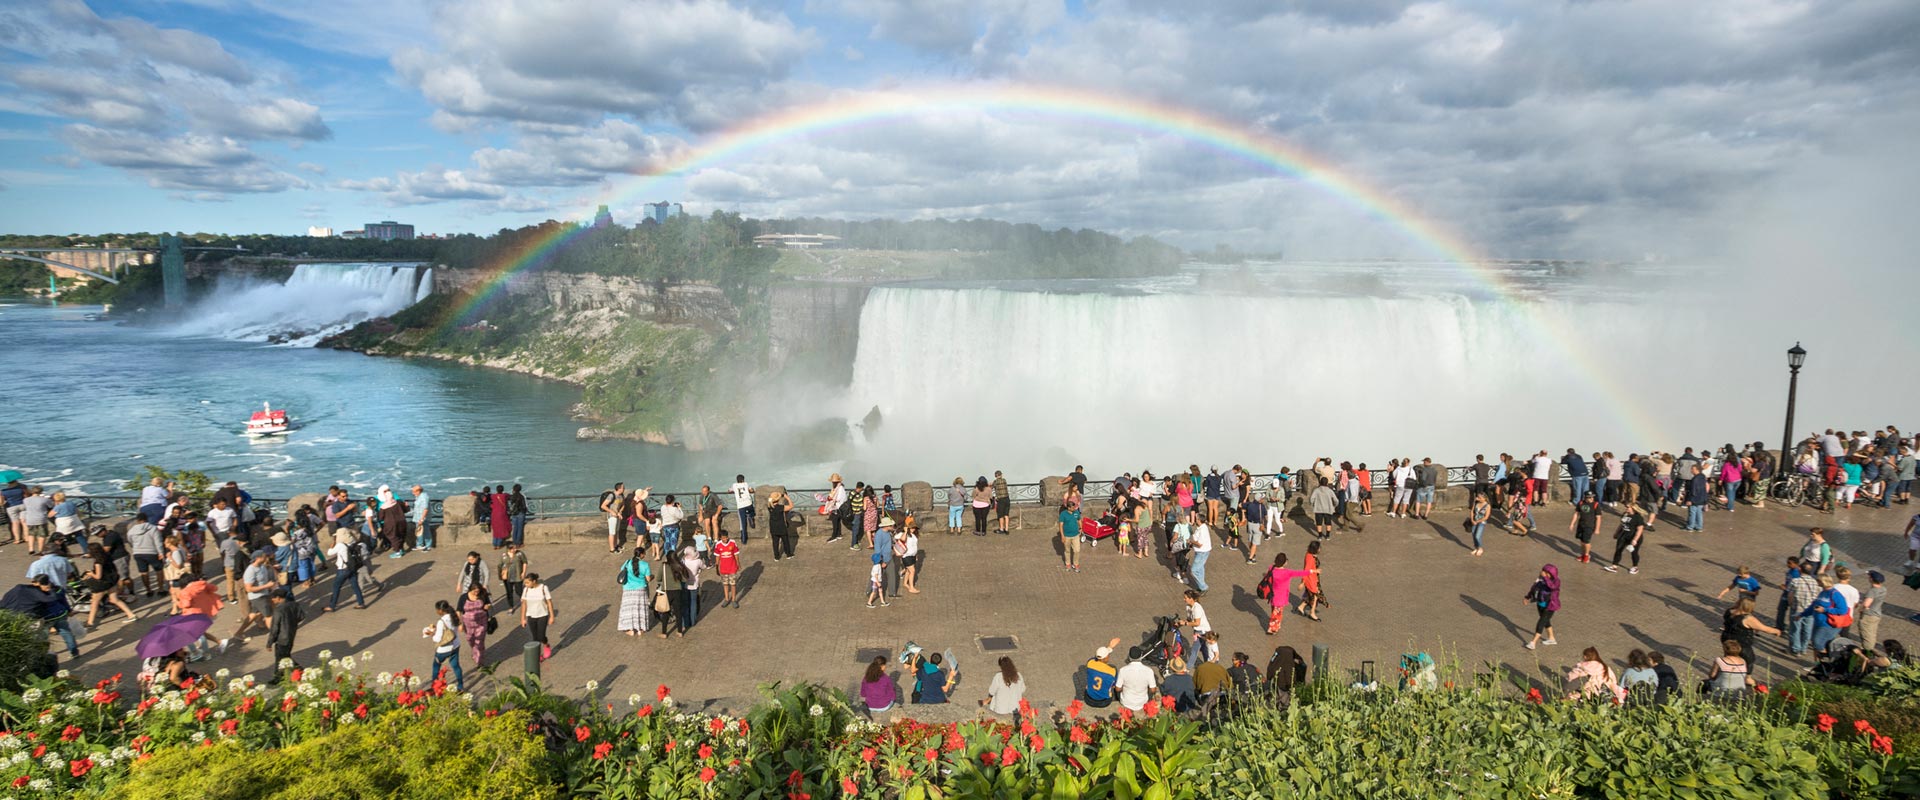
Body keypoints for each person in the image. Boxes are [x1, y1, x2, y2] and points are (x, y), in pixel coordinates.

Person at [0, 576, 76, 658]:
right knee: (65, 633)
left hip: (45, 618)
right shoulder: (54, 590)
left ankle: (43, 657)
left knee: (42, 640)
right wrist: (68, 610)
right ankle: (73, 652)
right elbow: (59, 599)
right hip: (57, 615)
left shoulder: (21, 589)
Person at [223, 548, 277, 650]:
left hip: (264, 594)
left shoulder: (262, 567)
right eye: (263, 556)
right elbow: (249, 588)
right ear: (258, 558)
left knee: (252, 615)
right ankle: (275, 635)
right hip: (258, 597)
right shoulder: (250, 571)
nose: (266, 558)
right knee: (269, 615)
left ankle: (238, 633)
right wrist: (266, 586)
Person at [80, 544, 135, 626]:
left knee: (95, 602)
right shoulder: (106, 556)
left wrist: (90, 573)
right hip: (111, 582)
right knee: (114, 599)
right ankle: (131, 615)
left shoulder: (98, 563)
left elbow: (98, 576)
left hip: (102, 584)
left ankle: (90, 622)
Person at [1263, 552, 1313, 635]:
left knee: (1274, 611)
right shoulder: (1286, 572)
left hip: (1272, 595)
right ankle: (1272, 629)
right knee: (1277, 614)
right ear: (1284, 562)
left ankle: (1277, 625)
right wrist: (1311, 571)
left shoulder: (1271, 568)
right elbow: (1299, 573)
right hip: (1280, 597)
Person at [1720, 596, 1782, 662]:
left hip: (1726, 639)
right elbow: (1765, 628)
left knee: (1729, 657)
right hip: (1740, 643)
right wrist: (1777, 631)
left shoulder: (1729, 611)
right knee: (1749, 660)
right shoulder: (1747, 618)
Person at [323, 530, 368, 612]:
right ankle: (361, 603)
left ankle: (332, 606)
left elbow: (329, 553)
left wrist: (333, 542)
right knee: (355, 585)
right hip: (352, 567)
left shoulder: (340, 545)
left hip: (343, 569)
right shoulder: (353, 542)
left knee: (336, 587)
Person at [425, 599, 465, 692]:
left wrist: (432, 634)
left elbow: (438, 639)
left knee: (436, 666)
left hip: (444, 649)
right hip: (455, 645)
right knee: (456, 666)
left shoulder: (441, 621)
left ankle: (434, 686)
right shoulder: (454, 616)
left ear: (440, 610)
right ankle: (460, 686)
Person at [519, 572, 557, 659]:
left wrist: (552, 616)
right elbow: (524, 604)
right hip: (531, 616)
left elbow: (549, 602)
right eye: (525, 583)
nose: (526, 584)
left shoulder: (543, 588)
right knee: (535, 637)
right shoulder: (526, 590)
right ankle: (538, 655)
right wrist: (523, 618)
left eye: (528, 582)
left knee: (541, 636)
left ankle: (546, 645)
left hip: (542, 615)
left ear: (534, 581)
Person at [265, 588, 302, 674]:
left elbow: (274, 628)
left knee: (282, 658)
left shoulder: (278, 610)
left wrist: (269, 643)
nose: (272, 600)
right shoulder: (294, 605)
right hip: (291, 634)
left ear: (278, 598)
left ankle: (299, 671)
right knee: (284, 656)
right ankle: (279, 676)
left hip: (282, 638)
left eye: (273, 598)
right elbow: (301, 616)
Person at [616, 547, 652, 635]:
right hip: (640, 589)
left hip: (628, 589)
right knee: (640, 608)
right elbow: (648, 579)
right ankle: (641, 629)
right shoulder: (645, 565)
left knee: (629, 609)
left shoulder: (627, 562)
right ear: (642, 554)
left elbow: (622, 571)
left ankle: (630, 629)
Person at [1525, 564, 1560, 650]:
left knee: (1541, 623)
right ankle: (1551, 638)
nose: (1544, 573)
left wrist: (1545, 578)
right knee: (1545, 621)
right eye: (1543, 571)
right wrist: (1528, 597)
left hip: (1550, 606)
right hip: (1540, 604)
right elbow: (1534, 588)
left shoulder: (1556, 581)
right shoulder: (1540, 580)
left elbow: (1552, 587)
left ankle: (1533, 642)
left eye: (1546, 572)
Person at [1604, 504, 1647, 575]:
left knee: (1634, 552)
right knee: (1618, 550)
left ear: (1633, 508)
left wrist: (1635, 539)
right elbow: (1621, 524)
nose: (1626, 508)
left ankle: (1635, 567)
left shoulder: (1638, 517)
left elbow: (1640, 529)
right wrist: (1616, 533)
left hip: (1633, 536)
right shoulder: (1625, 515)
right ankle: (1614, 566)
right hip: (1624, 536)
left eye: (1628, 507)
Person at [1114, 646, 1159, 712]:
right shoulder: (1149, 671)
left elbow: (1117, 688)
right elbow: (1152, 690)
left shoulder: (1123, 670)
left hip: (1126, 701)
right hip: (1142, 701)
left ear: (1129, 657)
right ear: (1141, 656)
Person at [1082, 640, 1122, 708]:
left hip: (1088, 699)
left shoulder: (1090, 664)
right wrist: (1110, 647)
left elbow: (1093, 659)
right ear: (1106, 658)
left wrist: (1109, 648)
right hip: (1104, 702)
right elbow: (1113, 686)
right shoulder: (1112, 671)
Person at [672, 546, 702, 634]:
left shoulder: (683, 561)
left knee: (685, 603)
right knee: (693, 602)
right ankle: (693, 621)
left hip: (685, 585)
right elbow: (703, 566)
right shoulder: (698, 561)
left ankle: (686, 622)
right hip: (694, 584)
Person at [1567, 492, 1600, 563]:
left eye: (1592, 497)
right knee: (1582, 541)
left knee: (1586, 542)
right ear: (1585, 497)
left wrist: (1597, 528)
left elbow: (1598, 517)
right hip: (1581, 525)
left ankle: (1587, 555)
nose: (1591, 498)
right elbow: (1576, 514)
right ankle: (1583, 554)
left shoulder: (1595, 505)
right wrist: (1572, 524)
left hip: (1589, 526)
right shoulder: (1581, 503)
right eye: (1589, 497)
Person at [1859, 571, 1886, 650]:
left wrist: (1861, 609)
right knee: (1872, 633)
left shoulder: (1872, 591)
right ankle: (1870, 648)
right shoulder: (1883, 589)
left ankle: (1867, 651)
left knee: (1866, 634)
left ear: (1871, 579)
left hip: (1868, 615)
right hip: (1877, 614)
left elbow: (1866, 604)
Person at [713, 529, 741, 608]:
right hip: (723, 569)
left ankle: (734, 600)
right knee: (725, 584)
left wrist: (738, 563)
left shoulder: (733, 542)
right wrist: (717, 566)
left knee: (733, 584)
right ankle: (726, 598)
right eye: (723, 538)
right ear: (720, 538)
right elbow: (717, 556)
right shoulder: (718, 545)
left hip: (732, 567)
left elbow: (736, 554)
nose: (725, 540)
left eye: (726, 538)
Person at [499, 541, 529, 612]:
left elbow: (525, 562)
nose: (514, 550)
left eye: (515, 548)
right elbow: (501, 565)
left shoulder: (520, 554)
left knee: (519, 591)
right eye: (513, 548)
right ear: (508, 549)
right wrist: (502, 574)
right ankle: (511, 606)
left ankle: (525, 603)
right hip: (508, 577)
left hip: (517, 576)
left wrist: (523, 572)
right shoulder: (504, 555)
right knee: (509, 592)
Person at [601, 482, 627, 553]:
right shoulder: (611, 495)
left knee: (616, 531)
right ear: (619, 488)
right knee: (612, 532)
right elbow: (603, 506)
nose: (624, 489)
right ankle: (612, 549)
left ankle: (616, 545)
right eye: (623, 487)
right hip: (612, 516)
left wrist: (620, 512)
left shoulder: (621, 495)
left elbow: (623, 504)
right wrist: (612, 512)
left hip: (617, 515)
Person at [1058, 500, 1083, 572]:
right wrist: (1062, 536)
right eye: (1072, 507)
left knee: (1077, 550)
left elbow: (1079, 520)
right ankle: (1068, 564)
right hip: (1067, 536)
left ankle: (1076, 564)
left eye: (1074, 507)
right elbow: (1061, 525)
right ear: (1068, 508)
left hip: (1075, 535)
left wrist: (1081, 528)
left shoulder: (1076, 512)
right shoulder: (1063, 514)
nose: (1074, 508)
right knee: (1067, 550)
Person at [730, 475, 755, 543]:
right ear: (743, 480)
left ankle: (744, 540)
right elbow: (751, 490)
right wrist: (751, 490)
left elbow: (729, 490)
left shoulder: (734, 485)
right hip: (748, 503)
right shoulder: (745, 484)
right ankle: (750, 516)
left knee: (743, 522)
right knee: (752, 511)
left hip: (740, 505)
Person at [1683, 466, 1708, 532]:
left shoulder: (1695, 479)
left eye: (1692, 469)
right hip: (1702, 498)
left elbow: (1693, 490)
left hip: (1694, 498)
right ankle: (1699, 526)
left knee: (1692, 512)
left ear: (1697, 470)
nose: (1691, 470)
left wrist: (1690, 499)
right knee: (1699, 513)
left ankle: (1690, 526)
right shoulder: (1703, 477)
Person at [1469, 490, 1493, 557]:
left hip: (1482, 522)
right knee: (1473, 534)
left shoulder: (1487, 506)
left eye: (1479, 497)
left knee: (1477, 535)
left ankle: (1480, 548)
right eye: (1477, 497)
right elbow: (1472, 511)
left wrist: (1477, 521)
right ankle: (1476, 548)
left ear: (1484, 498)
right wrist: (1472, 519)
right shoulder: (1476, 503)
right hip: (1474, 520)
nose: (1477, 498)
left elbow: (1486, 517)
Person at [900, 524, 921, 594]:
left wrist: (916, 555)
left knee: (908, 571)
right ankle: (911, 587)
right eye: (912, 528)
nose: (913, 529)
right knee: (912, 571)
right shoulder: (905, 535)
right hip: (906, 556)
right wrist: (905, 531)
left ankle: (905, 583)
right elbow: (902, 539)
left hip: (912, 555)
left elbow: (915, 546)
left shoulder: (914, 535)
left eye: (914, 528)